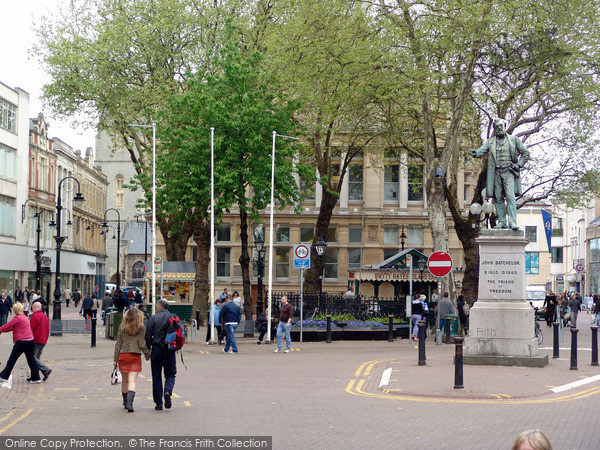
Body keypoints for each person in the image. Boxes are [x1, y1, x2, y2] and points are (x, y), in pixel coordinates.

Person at [468, 118, 530, 230]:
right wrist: (475, 153)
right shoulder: (490, 141)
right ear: (495, 129)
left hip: (509, 172)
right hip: (496, 173)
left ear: (505, 126)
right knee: (499, 198)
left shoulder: (513, 140)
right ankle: (501, 221)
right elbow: (482, 150)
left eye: (501, 126)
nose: (500, 128)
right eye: (497, 126)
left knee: (510, 197)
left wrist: (519, 164)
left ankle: (512, 222)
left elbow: (525, 153)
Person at [114, 306, 150, 412]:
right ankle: (130, 403)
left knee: (124, 381)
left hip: (123, 355)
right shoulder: (141, 327)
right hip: (134, 356)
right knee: (132, 381)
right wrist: (147, 354)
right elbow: (142, 344)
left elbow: (118, 344)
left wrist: (115, 359)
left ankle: (125, 402)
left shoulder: (122, 327)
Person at [145, 299, 177, 410]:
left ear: (159, 306)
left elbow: (148, 336)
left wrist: (147, 351)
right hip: (169, 349)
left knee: (156, 376)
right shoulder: (173, 318)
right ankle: (167, 391)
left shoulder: (153, 318)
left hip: (157, 349)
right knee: (171, 373)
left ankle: (158, 403)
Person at [0, 303, 41, 384]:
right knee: (31, 360)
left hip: (22, 341)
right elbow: (12, 328)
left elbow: (8, 326)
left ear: (15, 310)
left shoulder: (17, 318)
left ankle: (4, 376)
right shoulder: (24, 317)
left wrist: (0, 329)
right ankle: (36, 377)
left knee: (12, 359)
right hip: (30, 341)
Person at [29, 301, 52, 381]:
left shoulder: (35, 317)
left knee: (32, 357)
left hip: (37, 340)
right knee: (37, 358)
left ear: (35, 308)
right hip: (43, 340)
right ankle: (36, 375)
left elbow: (31, 330)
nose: (32, 309)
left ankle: (45, 369)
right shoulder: (44, 316)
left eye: (32, 308)